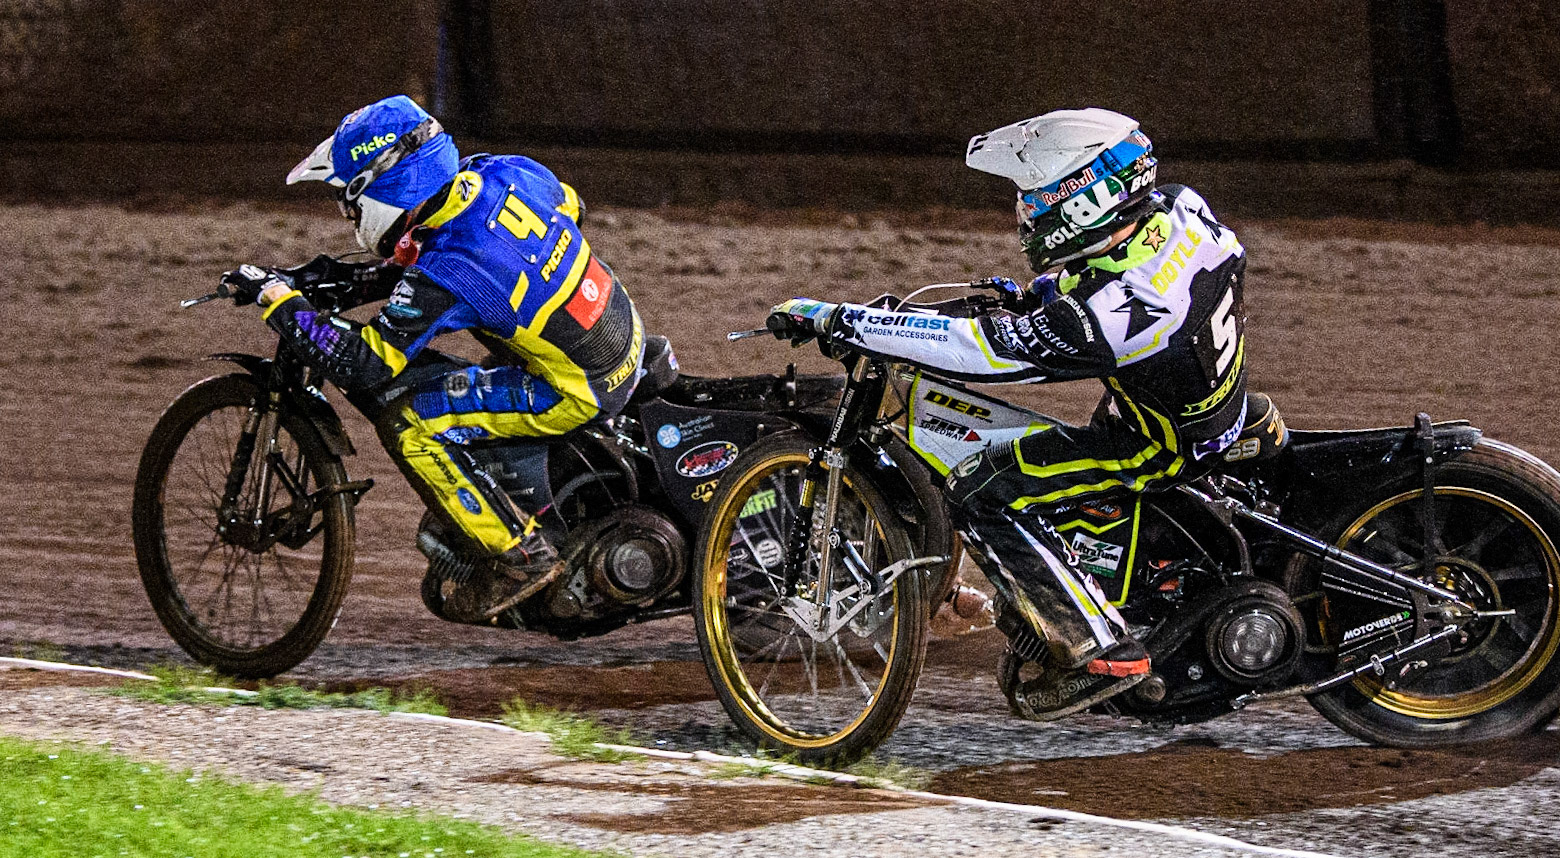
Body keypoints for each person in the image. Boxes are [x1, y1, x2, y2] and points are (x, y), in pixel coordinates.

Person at [765, 108, 1250, 721]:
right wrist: (1036, 294)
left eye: (1035, 197)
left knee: (985, 486)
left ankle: (1094, 650)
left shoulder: (1118, 313)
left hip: (1158, 443)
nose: (1024, 214)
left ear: (1086, 199)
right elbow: (1101, 279)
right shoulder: (1178, 209)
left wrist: (844, 319)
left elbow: (986, 352)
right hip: (1204, 405)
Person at [245, 95, 647, 621]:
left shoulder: (446, 271)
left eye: (350, 202)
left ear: (379, 191)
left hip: (576, 389)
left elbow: (368, 364)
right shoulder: (502, 172)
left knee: (412, 424)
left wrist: (282, 306)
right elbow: (569, 206)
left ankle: (519, 556)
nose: (349, 215)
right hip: (623, 334)